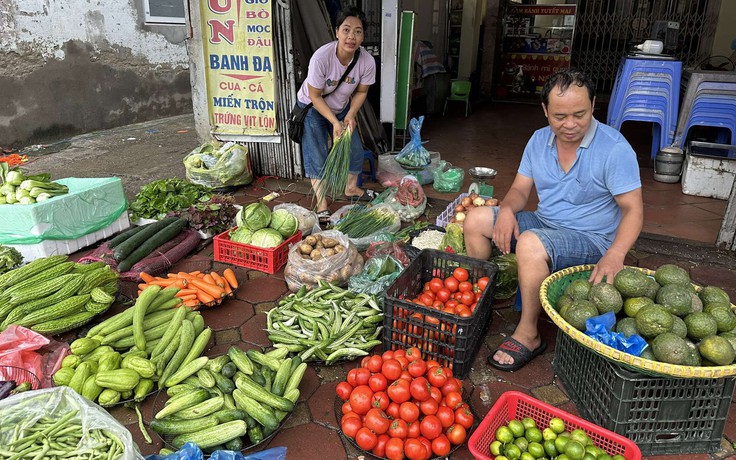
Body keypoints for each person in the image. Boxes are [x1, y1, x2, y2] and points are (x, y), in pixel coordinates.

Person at [464, 69, 644, 372]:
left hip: (591, 239)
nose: (570, 125)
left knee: (532, 243)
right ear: (545, 110)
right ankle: (480, 304)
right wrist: (506, 209)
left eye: (580, 114)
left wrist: (616, 254)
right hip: (546, 224)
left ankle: (529, 333)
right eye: (560, 116)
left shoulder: (614, 148)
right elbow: (521, 189)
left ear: (593, 107)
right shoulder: (538, 140)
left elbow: (633, 210)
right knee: (476, 219)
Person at [295, 6, 376, 220]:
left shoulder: (367, 61)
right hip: (313, 107)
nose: (352, 36)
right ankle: (321, 204)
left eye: (358, 31)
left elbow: (361, 91)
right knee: (317, 153)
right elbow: (315, 95)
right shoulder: (322, 58)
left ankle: (350, 189)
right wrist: (334, 122)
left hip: (341, 108)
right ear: (337, 31)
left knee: (355, 148)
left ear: (363, 35)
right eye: (346, 30)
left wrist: (350, 114)